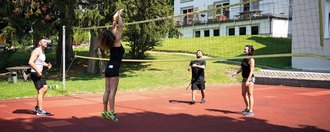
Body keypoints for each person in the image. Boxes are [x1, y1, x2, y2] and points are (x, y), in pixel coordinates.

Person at [98, 9, 125, 122]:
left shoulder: (110, 42)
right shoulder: (117, 40)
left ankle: (105, 111)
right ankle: (112, 112)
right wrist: (118, 15)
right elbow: (120, 26)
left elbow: (114, 28)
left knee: (107, 91)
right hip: (113, 69)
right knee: (113, 91)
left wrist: (115, 17)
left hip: (109, 68)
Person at [28, 38, 52, 116]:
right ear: (39, 43)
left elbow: (40, 61)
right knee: (41, 91)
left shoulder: (42, 51)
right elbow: (30, 62)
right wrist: (38, 71)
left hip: (39, 73)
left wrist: (46, 65)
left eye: (46, 42)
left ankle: (37, 107)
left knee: (45, 88)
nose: (46, 43)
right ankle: (40, 111)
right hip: (35, 73)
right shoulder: (37, 50)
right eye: (44, 42)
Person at [234, 45, 255, 116]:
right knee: (243, 93)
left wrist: (248, 80)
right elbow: (242, 68)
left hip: (250, 78)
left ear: (249, 50)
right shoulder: (244, 58)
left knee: (250, 94)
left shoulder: (251, 59)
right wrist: (236, 73)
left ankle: (251, 111)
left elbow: (251, 71)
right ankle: (247, 107)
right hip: (244, 78)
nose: (244, 50)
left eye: (245, 49)